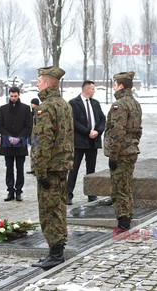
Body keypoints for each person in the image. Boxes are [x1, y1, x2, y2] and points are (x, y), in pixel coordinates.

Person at [31, 66, 74, 269]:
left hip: (49, 167)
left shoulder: (45, 107)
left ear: (48, 83)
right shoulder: (64, 105)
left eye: (39, 81)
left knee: (49, 210)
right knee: (59, 207)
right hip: (62, 165)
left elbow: (42, 142)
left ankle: (55, 253)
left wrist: (40, 172)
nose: (37, 84)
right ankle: (57, 250)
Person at [103, 71, 142, 231]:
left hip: (121, 154)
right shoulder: (135, 103)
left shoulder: (120, 104)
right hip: (131, 151)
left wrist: (113, 154)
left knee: (119, 189)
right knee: (126, 186)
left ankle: (123, 223)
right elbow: (138, 130)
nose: (113, 87)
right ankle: (127, 216)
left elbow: (117, 132)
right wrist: (133, 143)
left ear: (121, 85)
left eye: (115, 84)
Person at [67, 81, 106, 204]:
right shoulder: (73, 103)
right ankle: (68, 194)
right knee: (74, 169)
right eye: (93, 89)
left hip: (93, 141)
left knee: (91, 169)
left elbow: (102, 119)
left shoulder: (95, 103)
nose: (94, 91)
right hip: (79, 141)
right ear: (86, 89)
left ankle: (91, 194)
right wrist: (88, 131)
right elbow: (73, 121)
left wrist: (98, 131)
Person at [0, 86, 33, 202]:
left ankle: (19, 191)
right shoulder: (3, 109)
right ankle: (10, 191)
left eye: (15, 96)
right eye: (11, 96)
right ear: (9, 95)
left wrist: (19, 138)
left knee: (20, 168)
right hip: (7, 143)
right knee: (9, 168)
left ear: (19, 95)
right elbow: (0, 126)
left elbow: (29, 126)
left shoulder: (26, 108)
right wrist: (9, 137)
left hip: (20, 143)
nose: (13, 98)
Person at [27, 98, 40, 175]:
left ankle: (37, 169)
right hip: (31, 135)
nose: (31, 104)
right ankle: (33, 168)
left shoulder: (38, 113)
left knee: (36, 153)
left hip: (36, 136)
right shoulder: (31, 113)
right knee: (32, 153)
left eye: (33, 103)